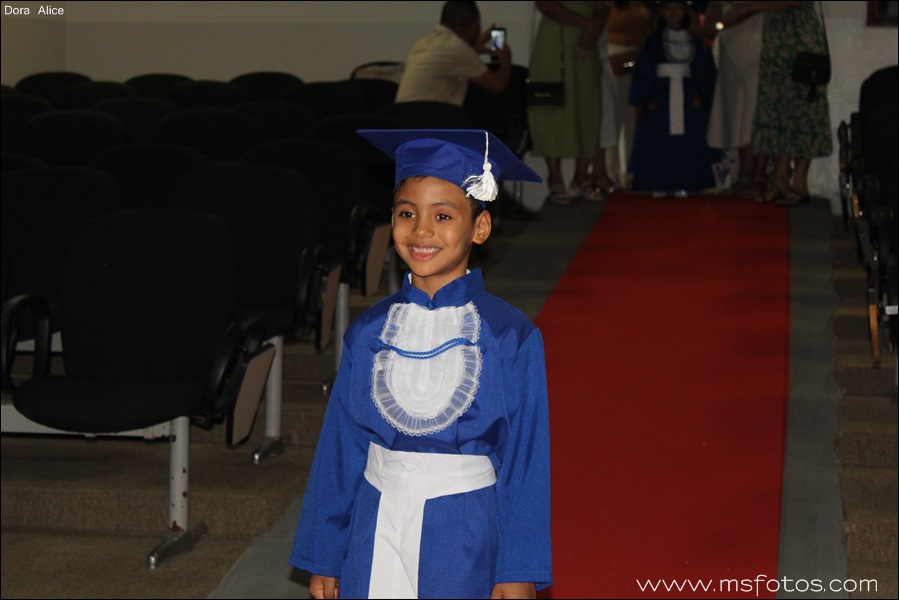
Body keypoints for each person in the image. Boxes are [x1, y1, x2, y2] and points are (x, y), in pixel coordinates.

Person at [289, 128, 553, 599]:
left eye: (443, 215)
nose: (421, 231)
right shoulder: (368, 332)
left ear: (480, 228)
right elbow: (341, 446)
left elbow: (526, 459)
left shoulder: (509, 336)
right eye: (406, 213)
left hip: (465, 531)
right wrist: (324, 552)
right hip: (374, 523)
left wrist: (517, 569)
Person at [627, 0, 718, 196]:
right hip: (660, 94)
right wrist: (644, 99)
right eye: (668, 8)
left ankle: (686, 182)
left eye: (678, 7)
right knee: (659, 139)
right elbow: (642, 72)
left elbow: (703, 70)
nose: (674, 12)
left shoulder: (696, 41)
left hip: (688, 94)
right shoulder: (653, 42)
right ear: (661, 13)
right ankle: (658, 183)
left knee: (687, 139)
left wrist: (699, 94)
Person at [750, 1, 832, 206]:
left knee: (803, 110)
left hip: (801, 40)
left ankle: (800, 183)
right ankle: (780, 178)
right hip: (775, 42)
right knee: (776, 107)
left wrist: (750, 6)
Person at [527, 1, 609, 205]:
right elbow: (545, 5)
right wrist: (585, 22)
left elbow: (603, 7)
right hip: (555, 39)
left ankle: (582, 177)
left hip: (586, 41)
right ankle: (555, 178)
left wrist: (594, 30)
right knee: (552, 106)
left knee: (588, 107)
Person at [703, 1, 768, 200]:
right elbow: (713, 18)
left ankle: (758, 176)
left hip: (757, 41)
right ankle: (744, 176)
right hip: (730, 44)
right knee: (737, 113)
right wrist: (719, 23)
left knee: (755, 114)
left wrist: (743, 11)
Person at [395, 1, 512, 107]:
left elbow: (449, 60)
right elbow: (498, 86)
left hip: (403, 118)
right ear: (473, 24)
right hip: (428, 119)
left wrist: (472, 49)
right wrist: (505, 64)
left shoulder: (423, 43)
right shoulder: (457, 48)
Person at [602, 0, 653, 191]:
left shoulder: (646, 5)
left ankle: (633, 171)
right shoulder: (612, 6)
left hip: (641, 58)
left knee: (635, 118)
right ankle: (611, 171)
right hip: (616, 56)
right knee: (614, 118)